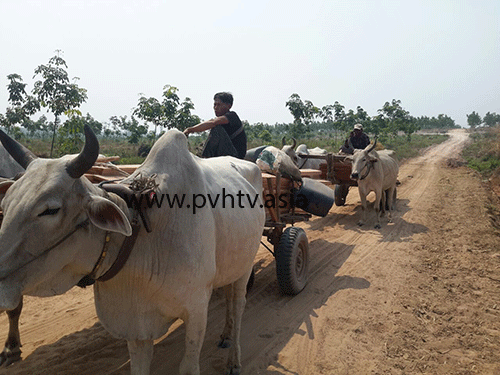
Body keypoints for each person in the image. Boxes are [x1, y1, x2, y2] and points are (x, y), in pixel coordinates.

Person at [183, 92, 247, 159]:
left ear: (229, 106)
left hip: (235, 155)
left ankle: (204, 158)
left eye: (219, 105)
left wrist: (190, 130)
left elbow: (213, 123)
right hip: (226, 151)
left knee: (216, 128)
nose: (215, 108)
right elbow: (211, 121)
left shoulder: (232, 116)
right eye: (214, 105)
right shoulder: (221, 120)